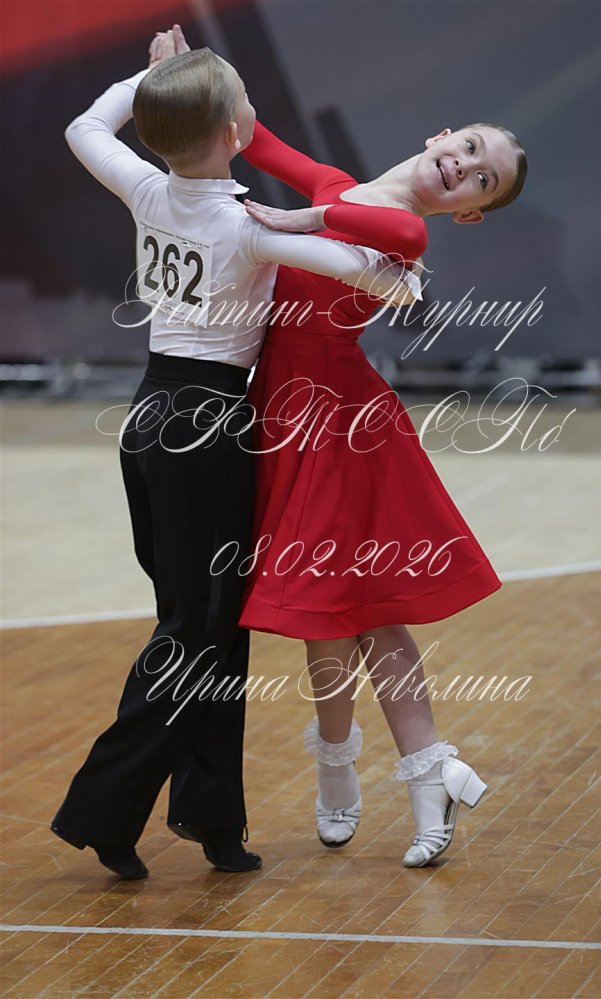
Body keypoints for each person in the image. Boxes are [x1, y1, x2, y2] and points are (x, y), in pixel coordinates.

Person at [51, 35, 420, 881]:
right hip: (208, 427)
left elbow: (84, 127)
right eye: (245, 101)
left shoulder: (147, 186)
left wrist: (151, 76)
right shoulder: (245, 223)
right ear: (230, 133)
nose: (255, 112)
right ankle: (103, 808)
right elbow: (390, 277)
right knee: (197, 630)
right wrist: (322, 222)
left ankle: (212, 816)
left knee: (209, 624)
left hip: (151, 417)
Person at [166, 25, 526, 868]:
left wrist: (304, 216)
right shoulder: (339, 185)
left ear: (469, 210)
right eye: (471, 148)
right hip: (286, 411)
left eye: (483, 179)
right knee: (328, 607)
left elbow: (387, 235)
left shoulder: (405, 230)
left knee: (355, 607)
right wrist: (189, 76)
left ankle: (395, 769)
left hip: (339, 421)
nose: (466, 166)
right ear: (442, 135)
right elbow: (253, 135)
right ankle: (373, 765)